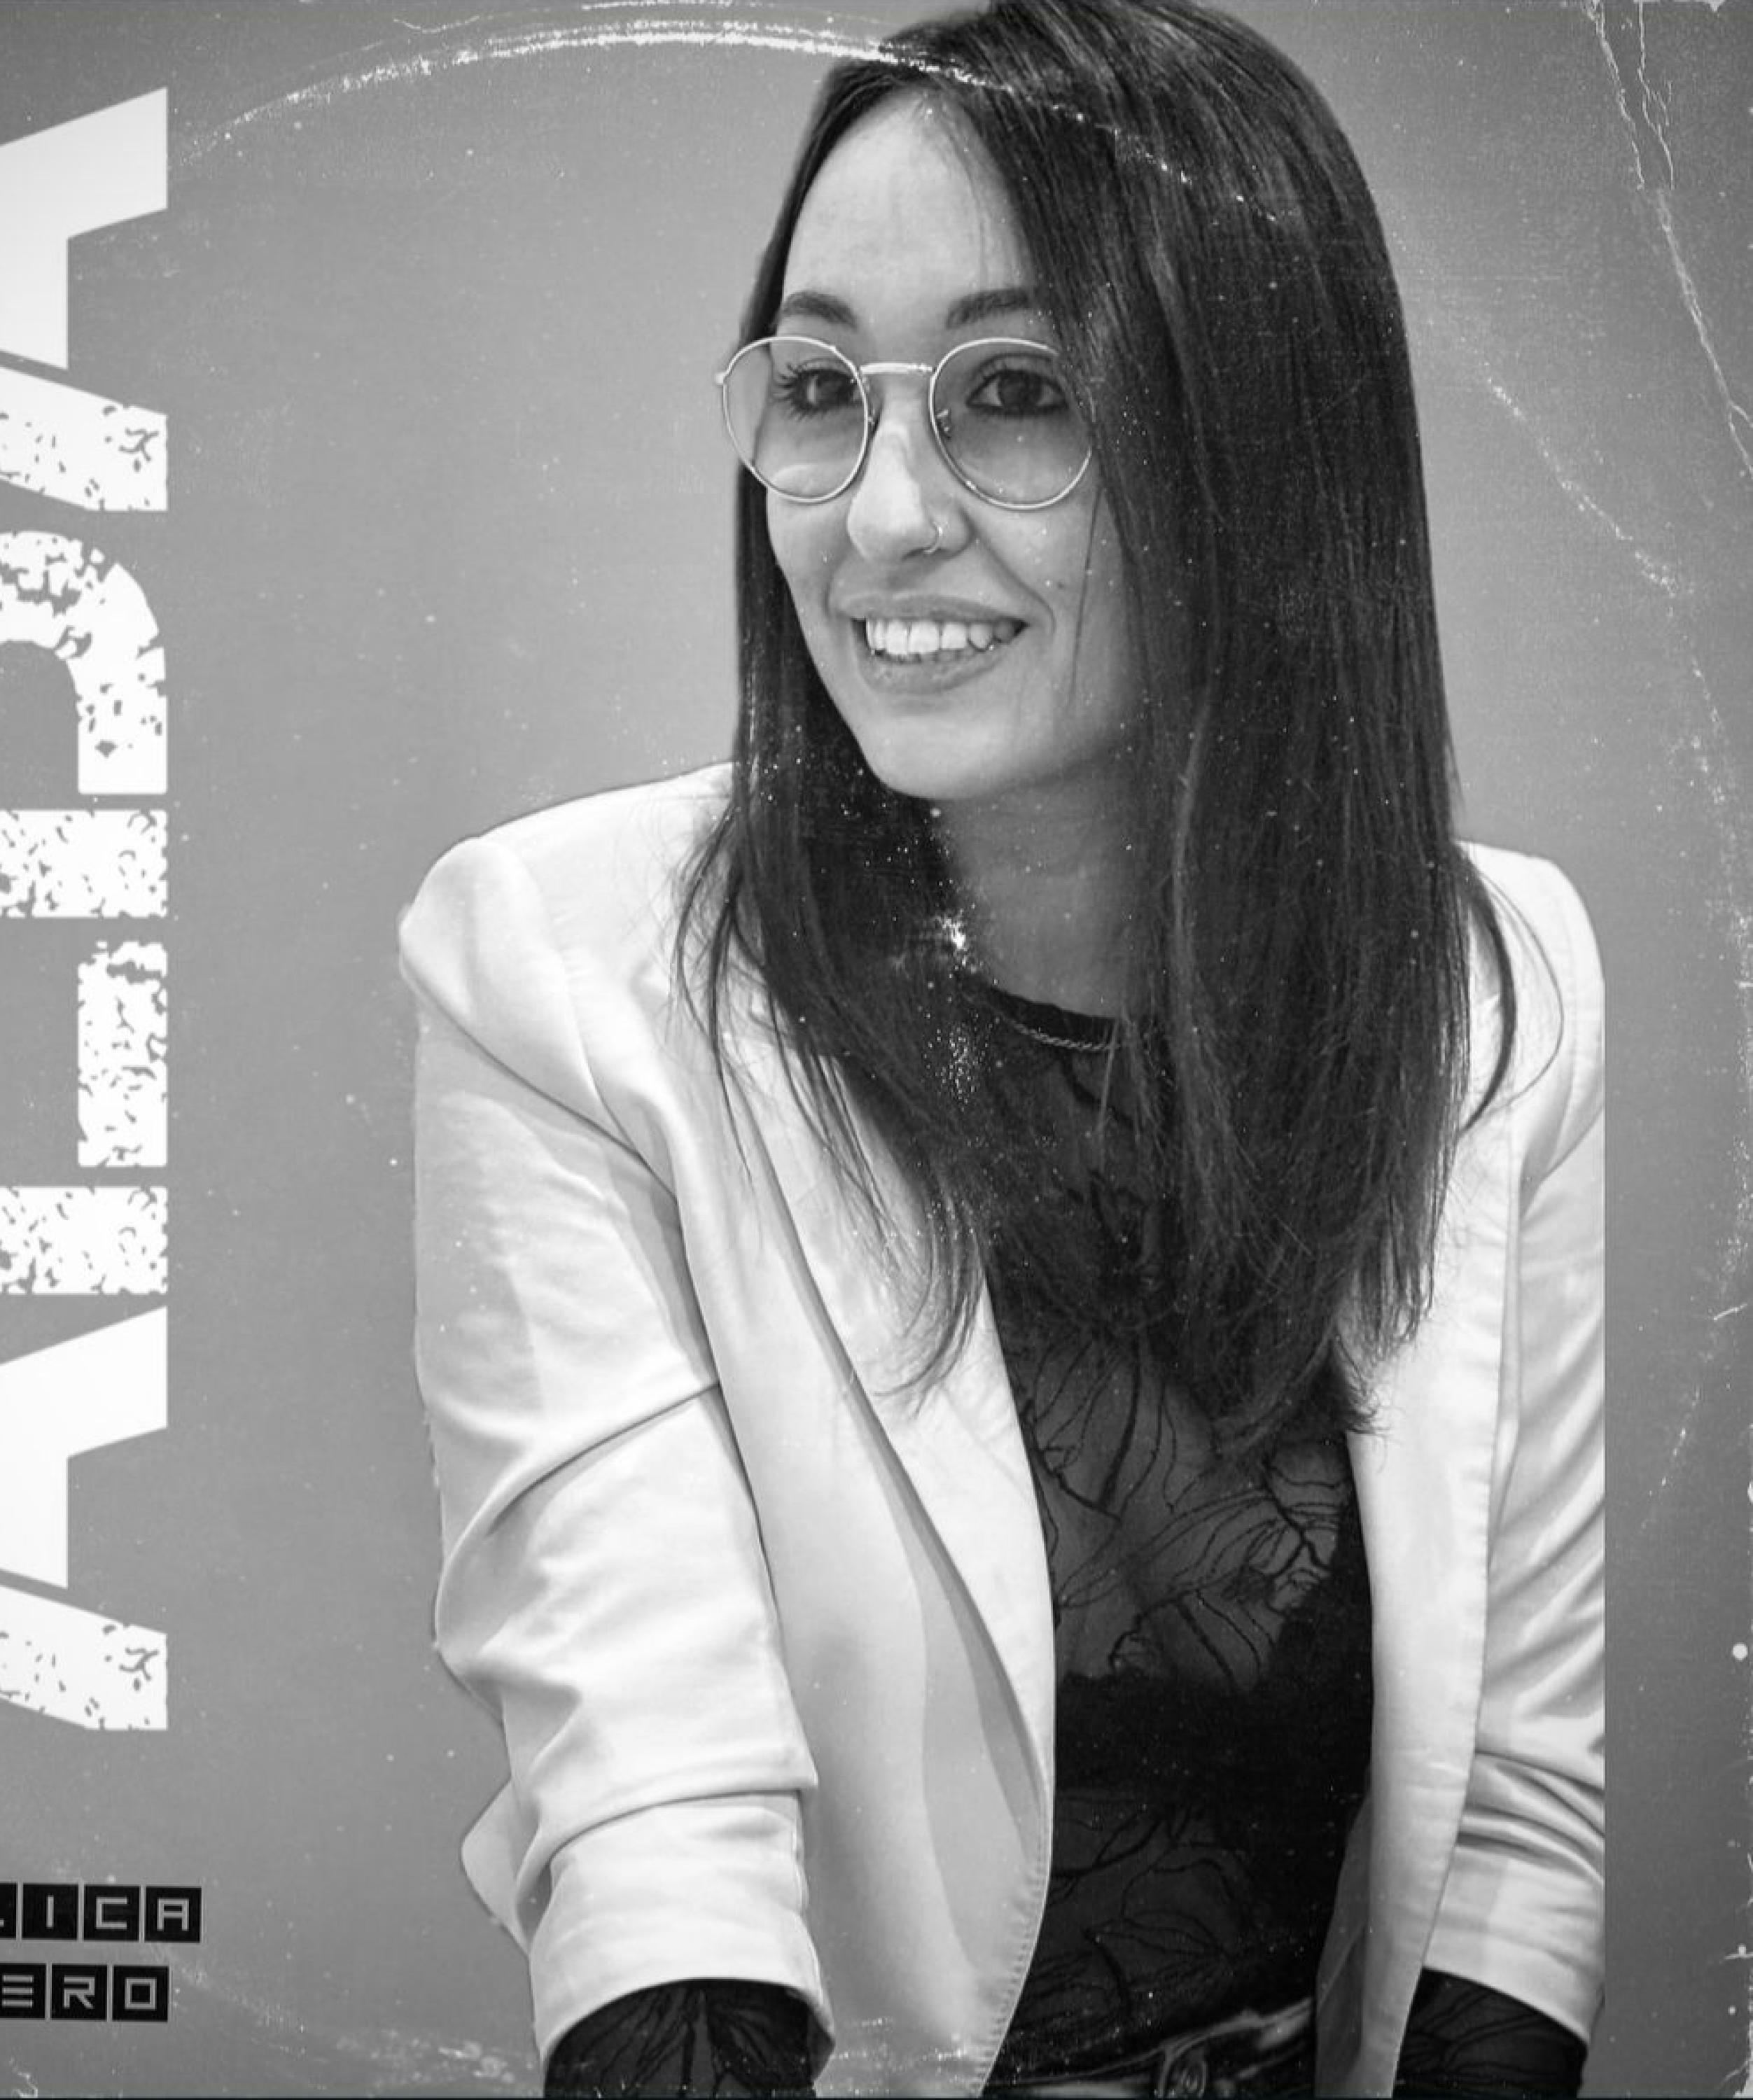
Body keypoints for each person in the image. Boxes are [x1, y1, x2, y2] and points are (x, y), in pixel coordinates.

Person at [398, 1, 1605, 2092]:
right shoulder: (569, 971)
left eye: (1018, 394)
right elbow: (656, 1835)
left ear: (1264, 448)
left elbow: (1512, 1821)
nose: (878, 518)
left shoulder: (1499, 984)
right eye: (819, 389)